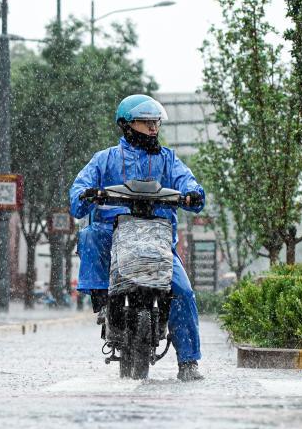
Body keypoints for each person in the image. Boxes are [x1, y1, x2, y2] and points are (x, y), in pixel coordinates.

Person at [69, 94, 206, 381]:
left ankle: (189, 362)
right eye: (146, 122)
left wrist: (193, 194)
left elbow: (188, 182)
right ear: (127, 125)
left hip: (158, 241)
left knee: (183, 292)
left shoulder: (168, 160)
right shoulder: (104, 159)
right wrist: (86, 193)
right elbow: (79, 190)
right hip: (112, 234)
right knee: (91, 234)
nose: (153, 128)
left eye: (155, 122)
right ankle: (103, 300)